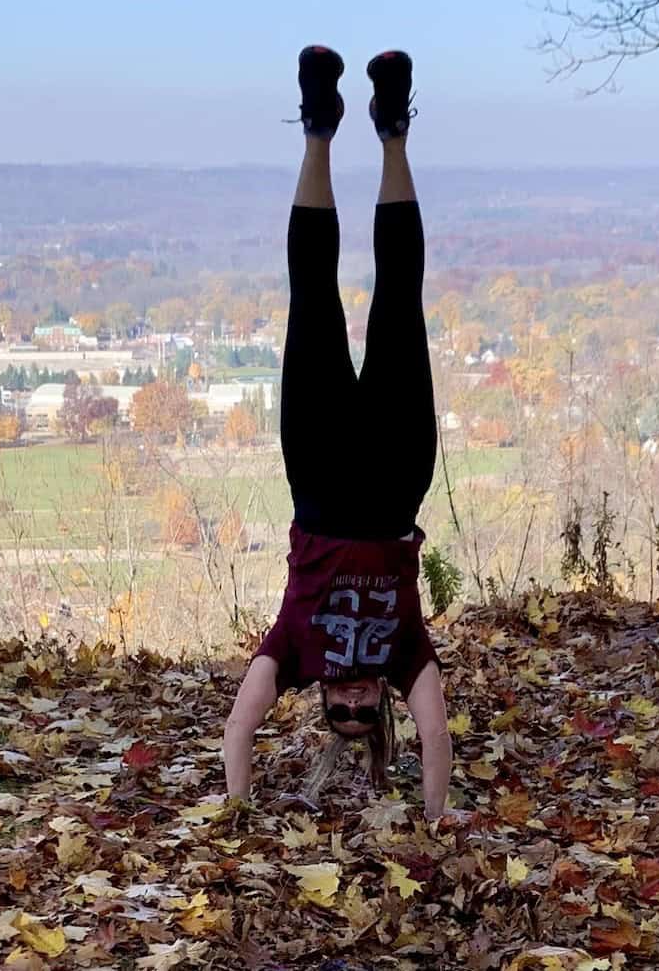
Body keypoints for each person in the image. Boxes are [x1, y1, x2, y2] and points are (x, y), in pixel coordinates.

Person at [222, 46, 453, 819]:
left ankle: (319, 127)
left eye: (338, 713)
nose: (353, 705)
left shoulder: (293, 651)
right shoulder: (403, 655)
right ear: (381, 704)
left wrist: (237, 810)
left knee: (311, 296)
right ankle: (392, 130)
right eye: (365, 713)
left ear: (321, 699)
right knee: (399, 295)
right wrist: (433, 815)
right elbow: (438, 731)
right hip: (393, 479)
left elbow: (241, 726)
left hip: (318, 478)